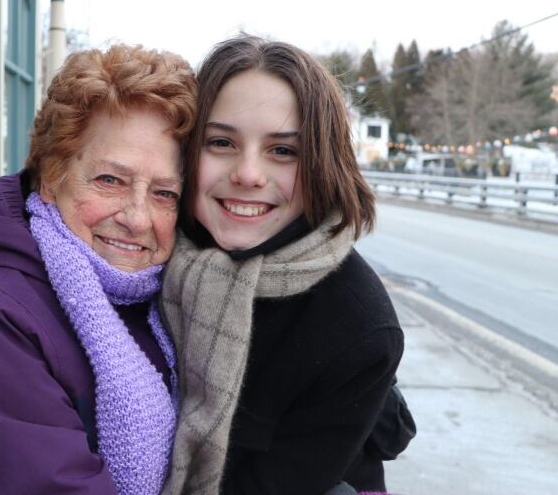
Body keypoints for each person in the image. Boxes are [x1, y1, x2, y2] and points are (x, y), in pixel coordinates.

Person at [0, 44, 196, 494]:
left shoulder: (162, 300)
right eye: (110, 180)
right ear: (50, 176)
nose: (137, 217)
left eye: (165, 193)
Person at [159, 35, 412, 495]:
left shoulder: (357, 327)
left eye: (283, 151)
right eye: (220, 142)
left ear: (322, 165)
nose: (248, 174)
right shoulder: (142, 255)